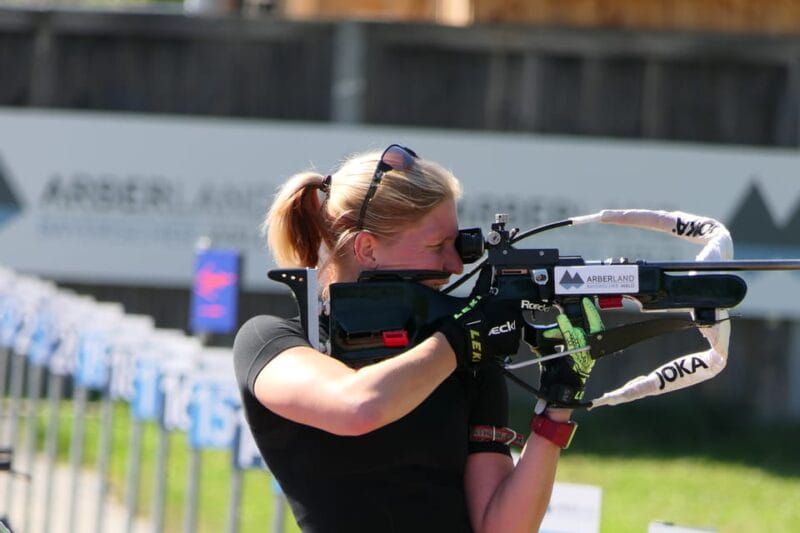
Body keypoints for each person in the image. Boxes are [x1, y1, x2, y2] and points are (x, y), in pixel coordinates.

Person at [233, 145, 601, 533]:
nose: (455, 265)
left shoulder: (465, 359)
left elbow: (502, 528)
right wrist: (459, 340)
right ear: (367, 249)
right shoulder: (272, 340)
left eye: (456, 245)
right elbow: (359, 408)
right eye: (437, 246)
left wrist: (558, 403)